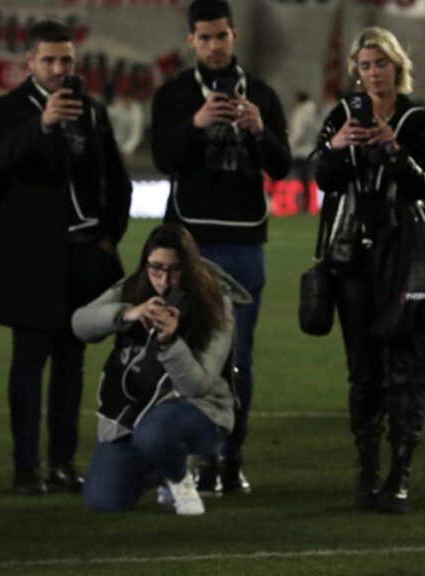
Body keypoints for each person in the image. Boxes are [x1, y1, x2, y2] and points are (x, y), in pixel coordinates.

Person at [0, 19, 132, 495]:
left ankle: (62, 463)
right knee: (28, 363)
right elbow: (3, 160)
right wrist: (43, 124)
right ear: (29, 61)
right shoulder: (4, 108)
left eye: (65, 59)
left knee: (72, 365)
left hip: (84, 254)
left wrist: (110, 236)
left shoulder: (91, 110)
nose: (57, 68)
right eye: (47, 59)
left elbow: (116, 177)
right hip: (31, 260)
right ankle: (26, 468)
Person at [151, 0, 291, 494]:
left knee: (238, 362)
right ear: (191, 40)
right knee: (183, 355)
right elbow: (163, 157)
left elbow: (282, 167)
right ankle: (194, 458)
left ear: (234, 36)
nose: (214, 46)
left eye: (221, 37)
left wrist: (260, 129)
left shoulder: (264, 95)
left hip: (244, 242)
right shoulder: (172, 95)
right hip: (188, 244)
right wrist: (196, 122)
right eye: (204, 38)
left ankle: (229, 459)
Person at [314, 26, 425, 514]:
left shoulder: (419, 121)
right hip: (351, 258)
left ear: (397, 66)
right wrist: (339, 147)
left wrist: (392, 148)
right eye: (365, 66)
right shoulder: (341, 115)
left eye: (380, 64)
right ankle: (367, 467)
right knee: (363, 370)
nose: (372, 74)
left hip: (407, 259)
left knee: (408, 368)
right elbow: (322, 178)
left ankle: (401, 471)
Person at [73, 223, 247, 515]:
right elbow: (80, 323)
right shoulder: (134, 287)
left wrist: (169, 343)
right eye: (156, 268)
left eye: (174, 270)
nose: (164, 280)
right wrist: (127, 313)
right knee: (103, 499)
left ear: (189, 267)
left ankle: (180, 478)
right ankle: (166, 464)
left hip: (199, 410)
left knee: (155, 432)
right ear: (146, 264)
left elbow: (199, 386)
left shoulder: (215, 300)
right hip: (137, 411)